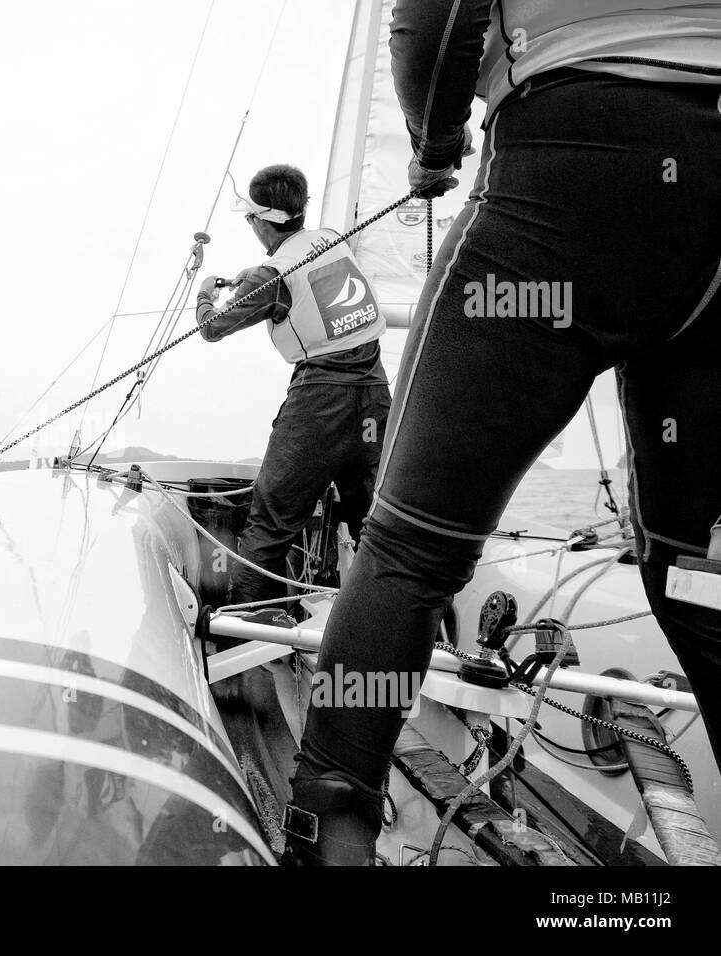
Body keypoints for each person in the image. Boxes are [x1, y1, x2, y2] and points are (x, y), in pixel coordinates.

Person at [283, 0, 721, 865]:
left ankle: (325, 838)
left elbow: (435, 23)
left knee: (409, 552)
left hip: (565, 182)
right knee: (694, 572)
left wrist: (435, 144)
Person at [195, 164, 391, 614]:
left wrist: (207, 291)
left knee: (270, 524)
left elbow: (211, 328)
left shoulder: (270, 277)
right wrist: (257, 272)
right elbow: (304, 269)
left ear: (263, 221)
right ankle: (383, 632)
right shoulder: (328, 238)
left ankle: (248, 642)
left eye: (249, 220)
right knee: (376, 524)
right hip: (374, 404)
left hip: (320, 407)